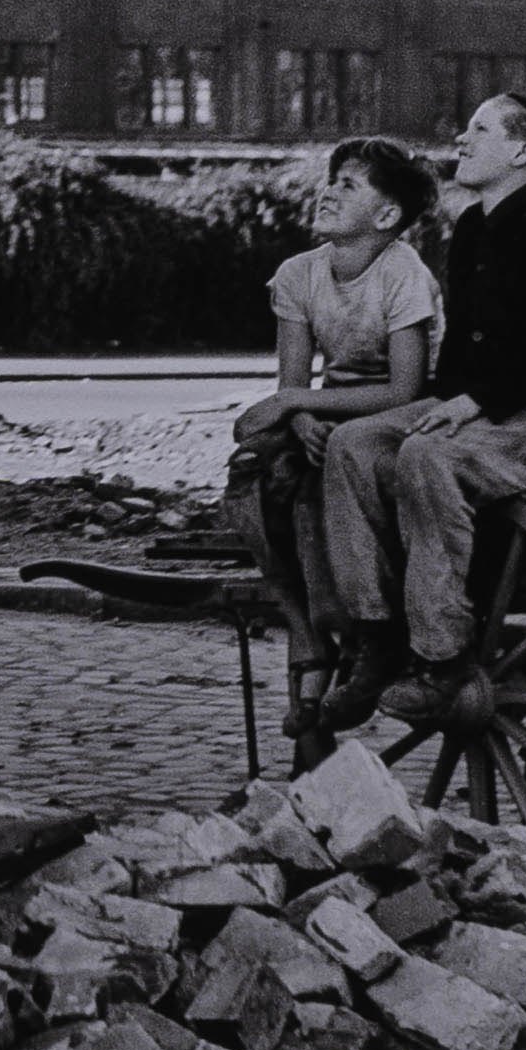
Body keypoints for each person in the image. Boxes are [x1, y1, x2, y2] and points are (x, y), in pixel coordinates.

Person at [316, 91, 526, 730]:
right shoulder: (473, 231)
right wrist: (442, 401)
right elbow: (463, 349)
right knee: (356, 445)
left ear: (520, 152)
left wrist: (473, 404)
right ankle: (375, 636)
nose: (460, 139)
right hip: (485, 404)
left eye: (478, 130)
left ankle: (442, 655)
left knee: (430, 456)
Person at [224, 137, 442, 741]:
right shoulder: (299, 274)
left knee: (320, 483)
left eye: (351, 184)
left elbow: (405, 388)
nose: (330, 190)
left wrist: (298, 403)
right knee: (254, 469)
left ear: (387, 216)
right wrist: (298, 418)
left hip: (404, 410)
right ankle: (304, 628)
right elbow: (291, 381)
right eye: (333, 178)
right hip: (328, 407)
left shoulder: (403, 272)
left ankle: (359, 632)